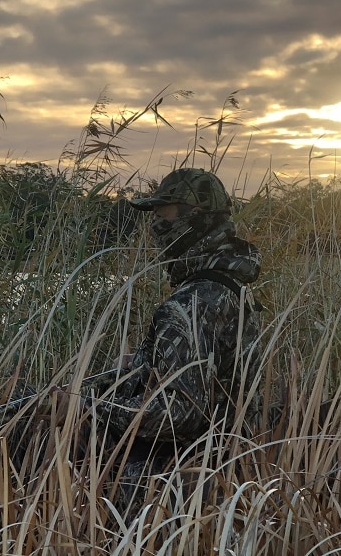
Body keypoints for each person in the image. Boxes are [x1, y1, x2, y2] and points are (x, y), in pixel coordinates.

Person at [54, 167, 262, 518]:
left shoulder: (190, 303)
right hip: (220, 475)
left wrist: (83, 407)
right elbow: (214, 374)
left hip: (171, 492)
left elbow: (180, 415)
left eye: (162, 216)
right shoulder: (226, 286)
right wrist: (145, 363)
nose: (155, 228)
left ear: (194, 217)